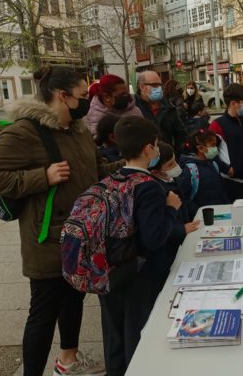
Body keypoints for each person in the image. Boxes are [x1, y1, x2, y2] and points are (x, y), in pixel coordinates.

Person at [0, 66, 114, 376]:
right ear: (62, 96)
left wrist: (136, 166)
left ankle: (68, 360)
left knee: (73, 299)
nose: (87, 102)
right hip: (46, 238)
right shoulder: (26, 131)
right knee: (43, 312)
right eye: (82, 96)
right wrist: (42, 176)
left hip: (79, 234)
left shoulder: (76, 130)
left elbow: (96, 168)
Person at [99, 116, 182, 376]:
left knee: (114, 334)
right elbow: (154, 239)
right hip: (138, 273)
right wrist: (171, 209)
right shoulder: (149, 187)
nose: (157, 151)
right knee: (137, 334)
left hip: (109, 269)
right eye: (156, 145)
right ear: (148, 148)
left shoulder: (111, 179)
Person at [149, 142, 200, 272]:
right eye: (170, 165)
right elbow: (158, 225)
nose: (176, 166)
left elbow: (185, 202)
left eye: (175, 161)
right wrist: (181, 229)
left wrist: (198, 213)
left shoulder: (173, 179)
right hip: (170, 248)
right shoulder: (156, 190)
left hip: (186, 232)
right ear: (155, 171)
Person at [209, 83, 243, 201]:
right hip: (230, 183)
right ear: (233, 103)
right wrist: (227, 169)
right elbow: (211, 153)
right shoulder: (217, 125)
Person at [179, 129, 231, 217]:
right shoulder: (190, 170)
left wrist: (228, 206)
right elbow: (185, 198)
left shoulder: (214, 164)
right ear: (200, 148)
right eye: (213, 145)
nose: (216, 148)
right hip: (203, 217)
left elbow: (221, 190)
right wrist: (198, 213)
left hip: (221, 213)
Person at [135, 71, 188, 153]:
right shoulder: (134, 107)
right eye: (155, 85)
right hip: (143, 159)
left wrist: (176, 155)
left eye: (160, 85)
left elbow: (180, 133)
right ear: (142, 87)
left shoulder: (169, 107)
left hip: (166, 158)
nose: (159, 88)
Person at [85, 74, 143, 138]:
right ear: (107, 96)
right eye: (122, 94)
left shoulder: (134, 110)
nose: (127, 96)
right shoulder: (94, 115)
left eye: (127, 93)